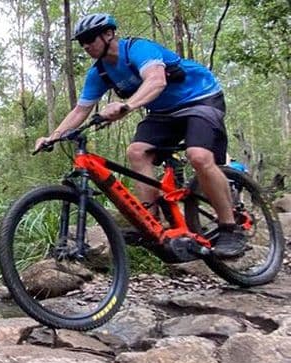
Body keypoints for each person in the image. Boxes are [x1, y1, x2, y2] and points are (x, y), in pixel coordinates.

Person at [34, 13, 245, 257]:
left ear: (108, 34)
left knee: (198, 156)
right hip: (163, 112)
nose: (86, 45)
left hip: (200, 100)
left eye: (90, 38)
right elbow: (81, 109)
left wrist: (126, 107)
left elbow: (156, 81)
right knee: (136, 152)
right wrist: (54, 136)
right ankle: (151, 223)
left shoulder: (138, 49)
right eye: (81, 42)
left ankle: (230, 228)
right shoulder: (100, 73)